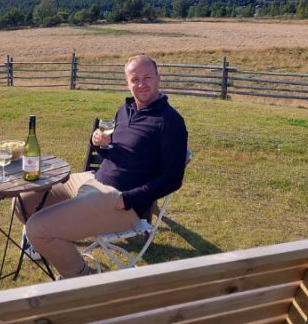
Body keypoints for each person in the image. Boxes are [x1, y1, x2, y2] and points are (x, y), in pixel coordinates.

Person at [15, 54, 188, 278]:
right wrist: (99, 144)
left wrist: (128, 199)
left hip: (118, 199)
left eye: (147, 77)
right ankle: (58, 250)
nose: (141, 84)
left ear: (158, 78)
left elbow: (173, 178)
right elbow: (117, 153)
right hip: (93, 179)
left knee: (37, 229)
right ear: (127, 82)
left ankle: (82, 279)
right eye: (135, 79)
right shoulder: (125, 110)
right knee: (22, 200)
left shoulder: (170, 121)